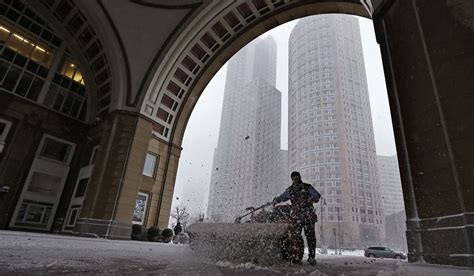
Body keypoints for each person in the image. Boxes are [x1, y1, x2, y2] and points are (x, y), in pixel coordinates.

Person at [273, 171, 321, 266]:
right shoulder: (290, 190)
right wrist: (276, 200)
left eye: (297, 177)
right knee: (295, 237)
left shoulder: (307, 187)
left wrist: (311, 199)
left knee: (310, 237)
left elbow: (316, 196)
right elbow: (282, 197)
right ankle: (295, 256)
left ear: (300, 177)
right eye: (293, 178)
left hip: (308, 216)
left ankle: (311, 257)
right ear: (292, 179)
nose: (295, 179)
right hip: (296, 217)